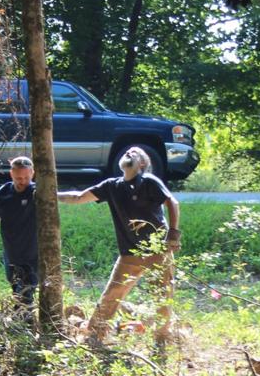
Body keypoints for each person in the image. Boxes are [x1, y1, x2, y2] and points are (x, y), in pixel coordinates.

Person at [58, 146, 181, 345]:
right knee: (111, 294)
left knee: (162, 296)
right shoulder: (111, 186)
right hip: (129, 253)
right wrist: (51, 194)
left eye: (135, 153)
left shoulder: (149, 181)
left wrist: (173, 235)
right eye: (127, 152)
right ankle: (94, 335)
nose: (129, 152)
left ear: (142, 164)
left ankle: (162, 338)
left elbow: (172, 203)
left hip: (157, 251)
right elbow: (79, 197)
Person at [0, 156, 39, 311]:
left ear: (32, 173)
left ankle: (23, 321)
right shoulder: (4, 191)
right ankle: (20, 318)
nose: (23, 181)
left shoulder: (37, 192)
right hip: (11, 251)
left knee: (26, 291)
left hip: (33, 254)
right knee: (15, 287)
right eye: (19, 178)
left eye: (26, 177)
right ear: (11, 174)